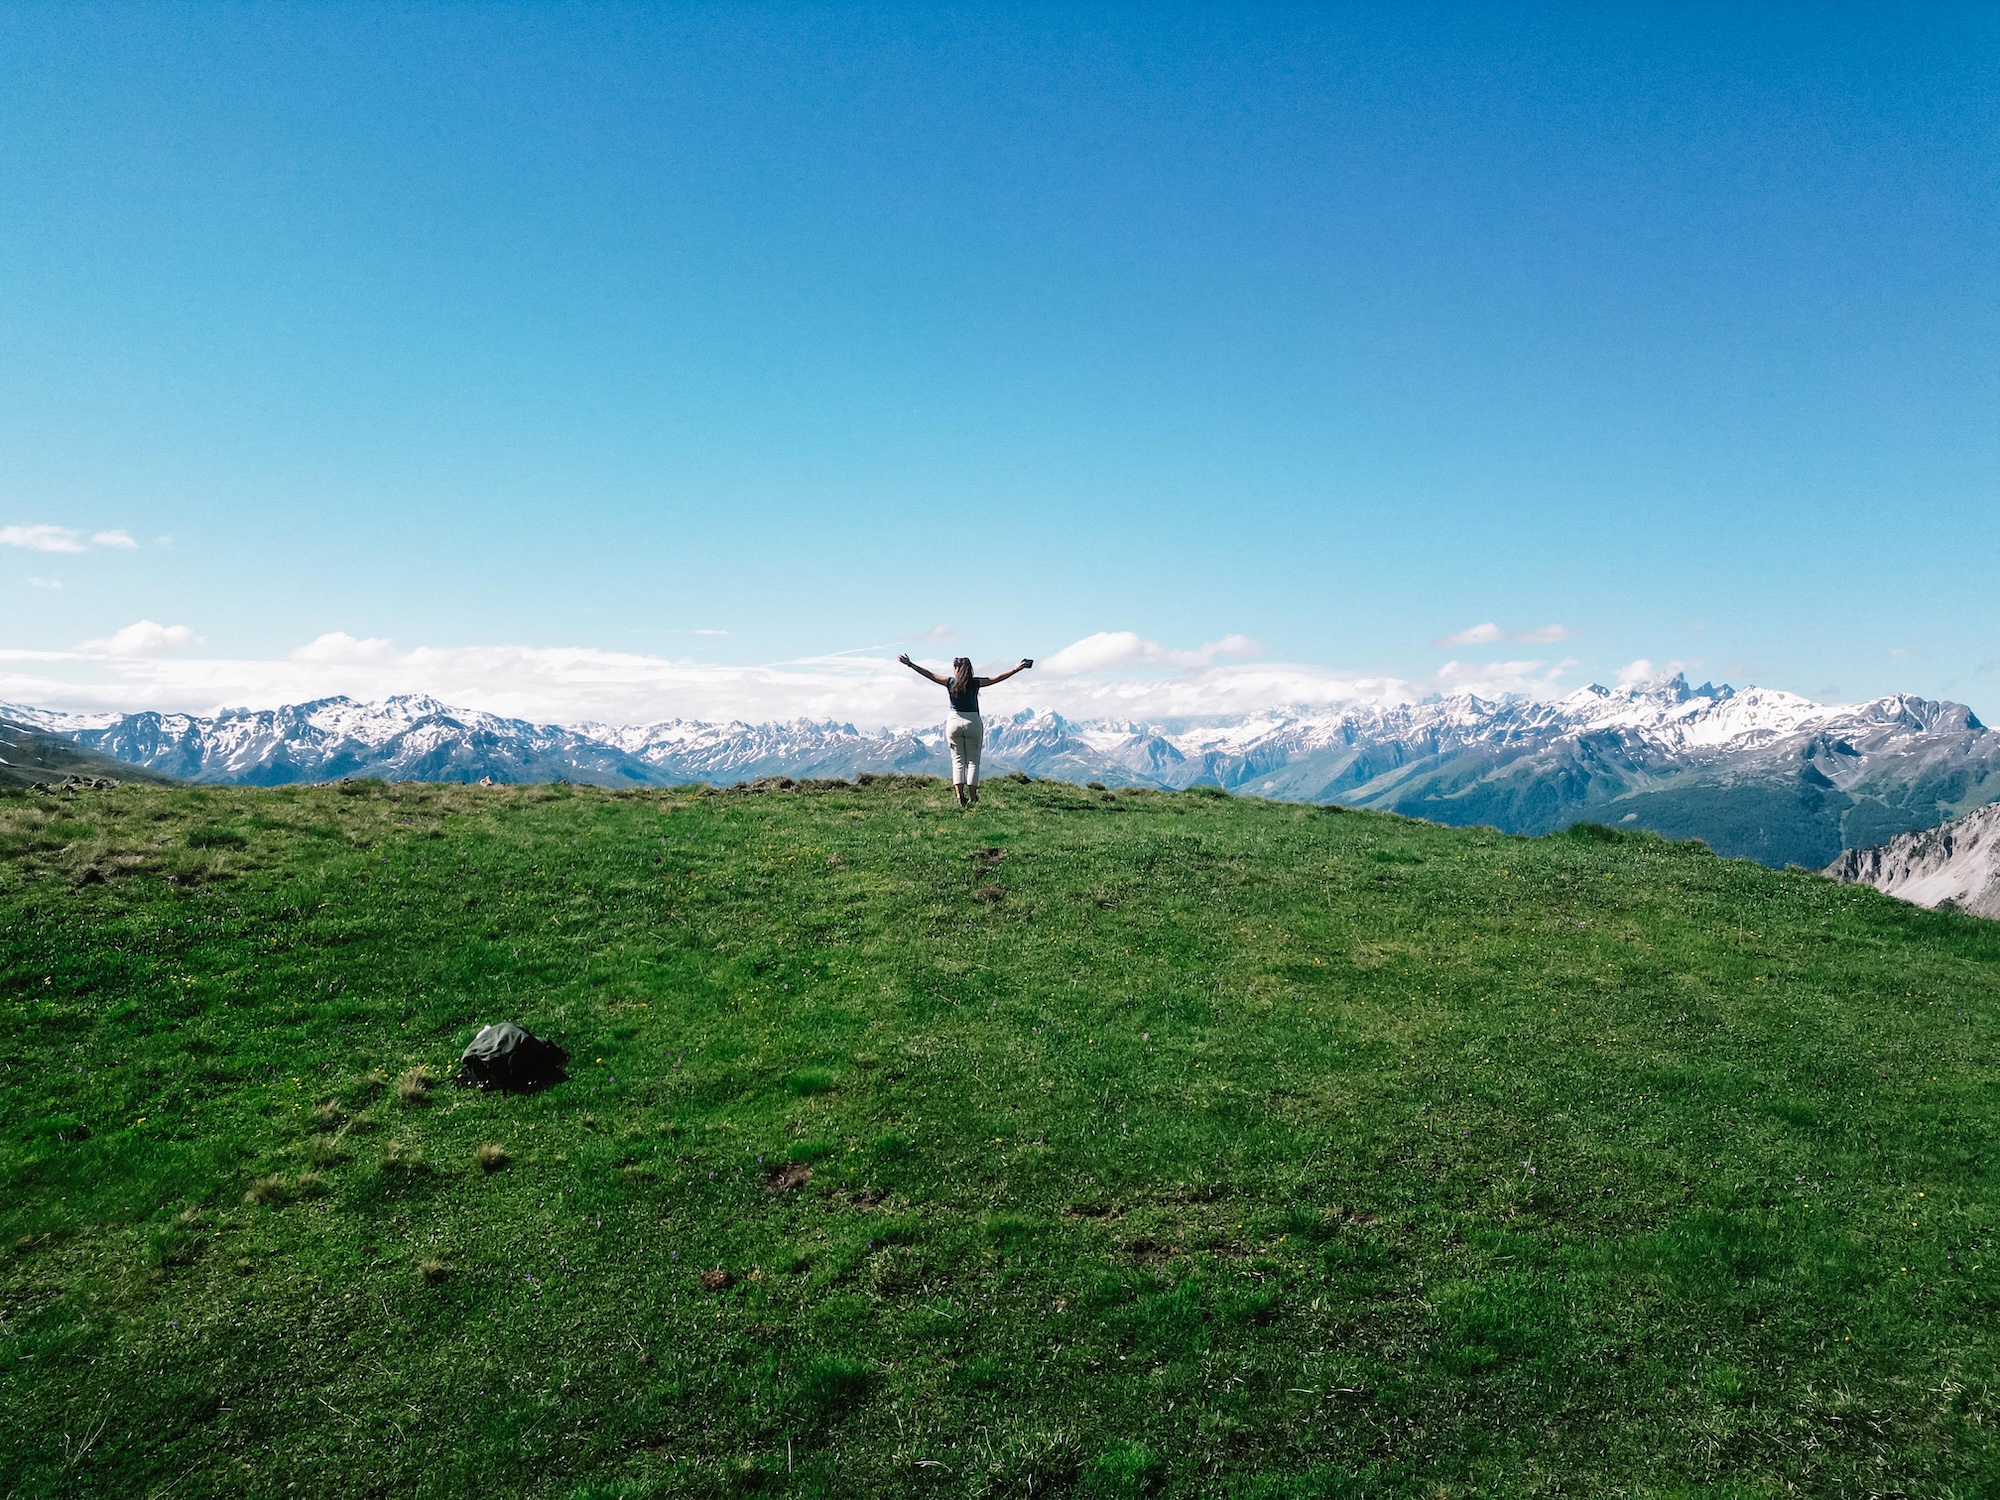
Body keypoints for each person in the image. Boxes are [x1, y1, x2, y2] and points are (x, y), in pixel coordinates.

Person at [897, 652, 1033, 806]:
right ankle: (973, 797)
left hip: (953, 722)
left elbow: (929, 674)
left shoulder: (949, 682)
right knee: (973, 762)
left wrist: (910, 664)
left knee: (958, 761)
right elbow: (997, 678)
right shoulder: (975, 683)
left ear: (956, 669)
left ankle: (959, 796)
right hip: (973, 721)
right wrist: (1016, 669)